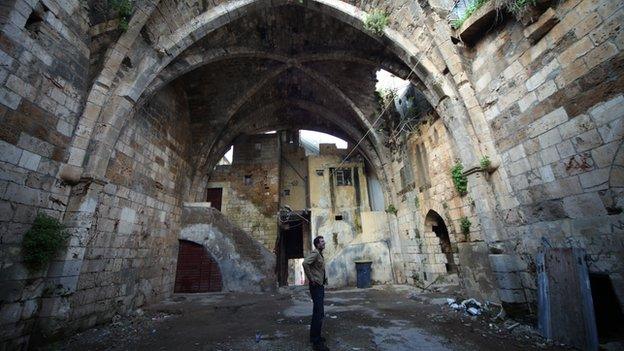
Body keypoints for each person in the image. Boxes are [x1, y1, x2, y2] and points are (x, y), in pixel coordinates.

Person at [302, 236, 329, 351]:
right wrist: (311, 279)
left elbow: (319, 269)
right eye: (322, 242)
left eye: (323, 241)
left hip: (319, 286)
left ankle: (316, 336)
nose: (324, 243)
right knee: (318, 313)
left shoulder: (320, 254)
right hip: (316, 286)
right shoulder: (315, 253)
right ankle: (315, 341)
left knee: (319, 312)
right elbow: (305, 263)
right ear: (317, 244)